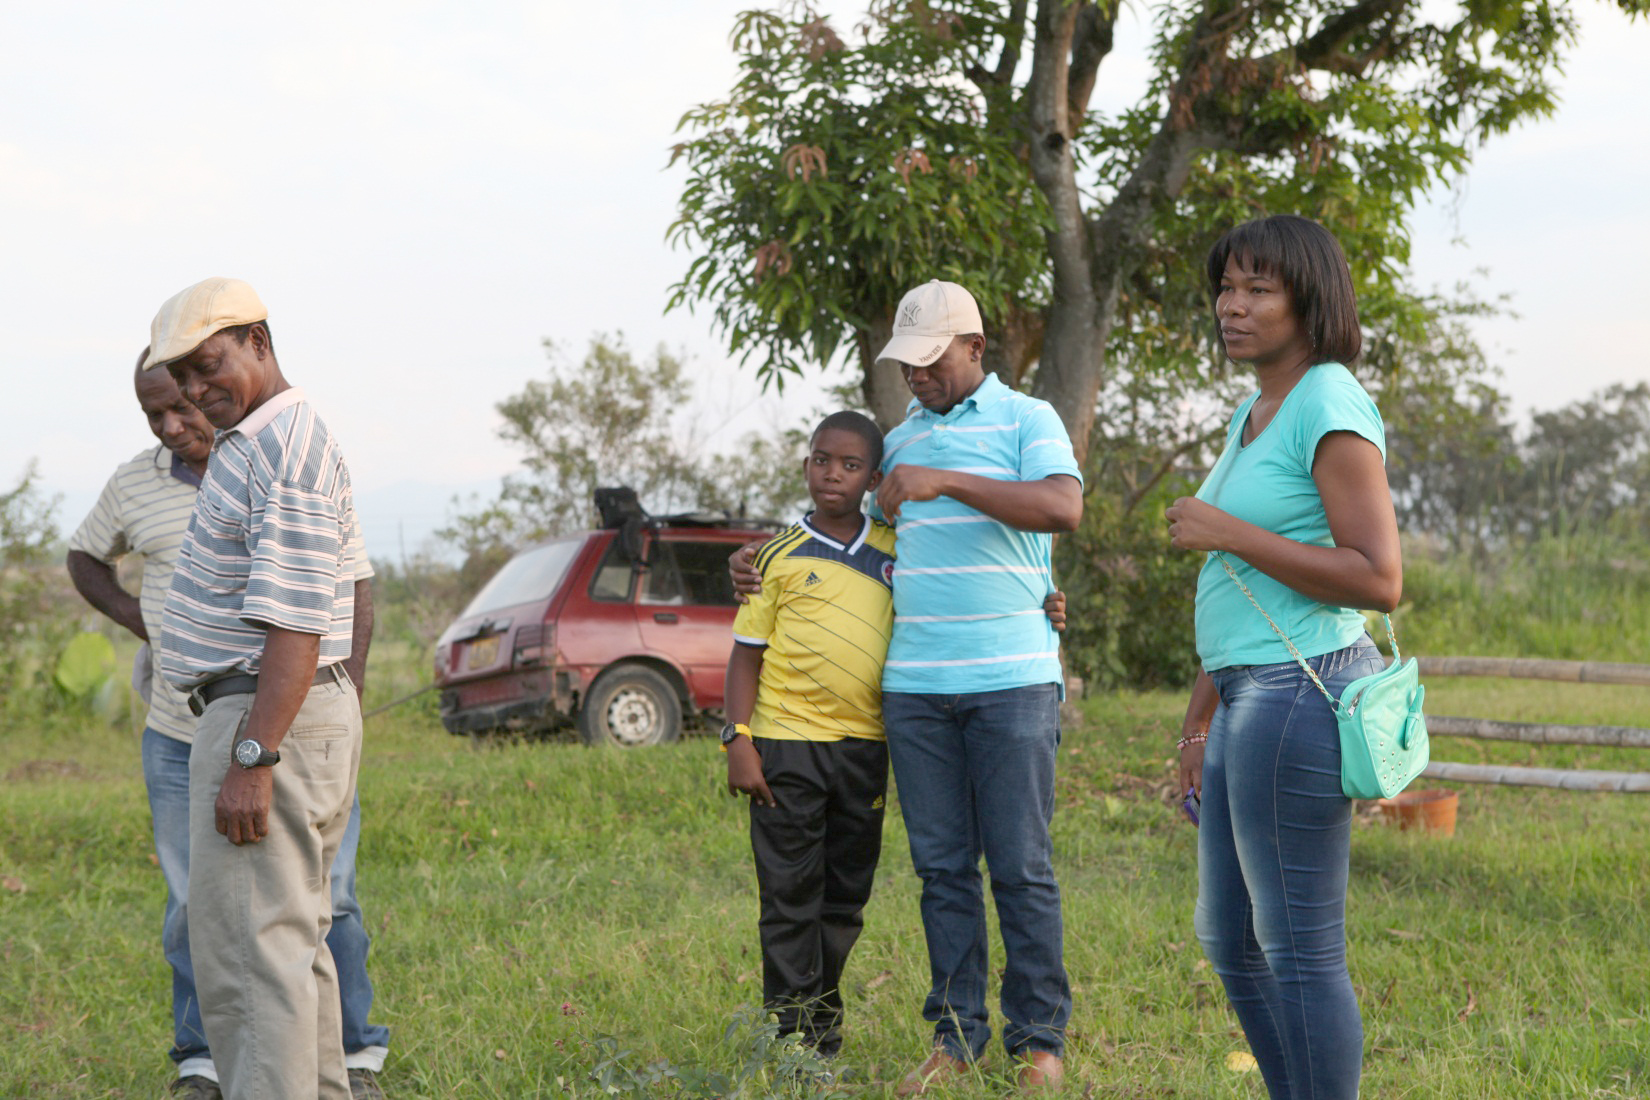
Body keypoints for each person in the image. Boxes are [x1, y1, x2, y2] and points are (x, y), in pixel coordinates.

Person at [733, 280, 1083, 1092]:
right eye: (907, 363)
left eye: (931, 361)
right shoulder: (899, 437)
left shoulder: (1028, 419)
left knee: (1021, 867)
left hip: (1011, 682)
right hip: (916, 690)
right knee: (942, 870)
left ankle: (1038, 1045)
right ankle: (955, 1041)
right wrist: (751, 559)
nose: (917, 377)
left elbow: (1063, 507)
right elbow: (840, 518)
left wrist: (946, 482)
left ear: (975, 348)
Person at [66, 350, 390, 1099]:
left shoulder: (272, 457)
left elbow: (314, 610)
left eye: (192, 393)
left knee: (277, 933)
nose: (180, 419)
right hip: (197, 726)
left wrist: (274, 741)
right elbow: (85, 558)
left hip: (268, 722)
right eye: (161, 411)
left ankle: (353, 1055)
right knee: (231, 922)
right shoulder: (148, 481)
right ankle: (207, 1063)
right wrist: (154, 625)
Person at [1165, 215, 1402, 1100]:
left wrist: (1224, 526)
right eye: (1227, 286)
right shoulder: (1255, 409)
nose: (1233, 305)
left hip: (1299, 694)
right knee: (1230, 941)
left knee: (1299, 948)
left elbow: (1378, 578)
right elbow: (1239, 592)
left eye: (1258, 289)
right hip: (1243, 694)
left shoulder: (1328, 400)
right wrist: (1197, 721)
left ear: (1309, 301)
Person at [144, 277, 368, 1100]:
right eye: (185, 379)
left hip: (263, 715)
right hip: (265, 712)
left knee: (248, 958)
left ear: (259, 344)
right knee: (285, 950)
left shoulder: (285, 448)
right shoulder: (255, 439)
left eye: (211, 366)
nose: (199, 391)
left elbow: (297, 624)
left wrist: (252, 754)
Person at [721, 410, 896, 1059]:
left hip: (866, 748)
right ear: (806, 466)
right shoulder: (773, 556)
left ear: (873, 477)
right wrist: (737, 738)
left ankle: (820, 1018)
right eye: (822, 460)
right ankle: (793, 1038)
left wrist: (1042, 601)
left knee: (844, 897)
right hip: (785, 745)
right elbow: (746, 652)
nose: (833, 474)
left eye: (850, 465)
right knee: (790, 895)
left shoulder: (896, 548)